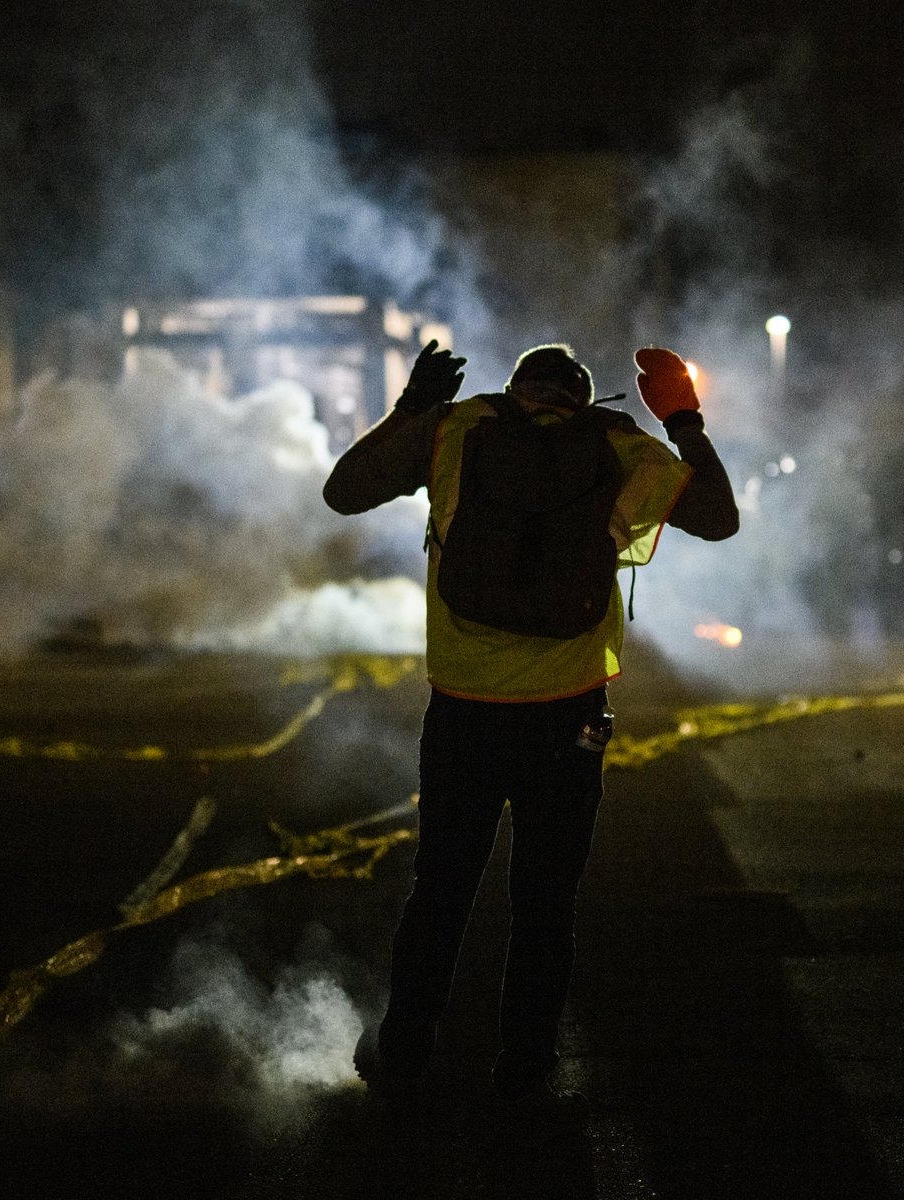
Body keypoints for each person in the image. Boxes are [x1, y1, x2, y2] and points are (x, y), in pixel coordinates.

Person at [322, 339, 738, 1136]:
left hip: (464, 710)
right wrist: (683, 420)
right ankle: (524, 1070)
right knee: (546, 902)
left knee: (441, 887)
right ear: (585, 397)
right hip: (569, 713)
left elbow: (344, 493)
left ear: (516, 389)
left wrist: (412, 407)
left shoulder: (456, 429)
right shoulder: (620, 446)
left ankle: (404, 1054)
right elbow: (719, 520)